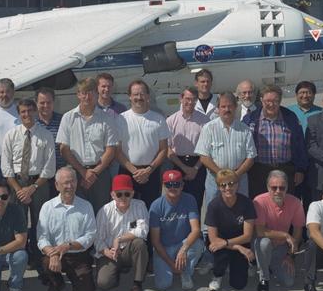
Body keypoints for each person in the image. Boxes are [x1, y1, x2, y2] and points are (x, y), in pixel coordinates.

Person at [1, 97, 56, 262]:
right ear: (19, 114)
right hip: (16, 184)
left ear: (35, 112)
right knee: (18, 222)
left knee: (41, 221)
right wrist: (19, 190)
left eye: (30, 110)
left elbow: (49, 168)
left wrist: (32, 188)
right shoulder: (11, 135)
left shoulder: (46, 135)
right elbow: (6, 168)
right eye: (23, 111)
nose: (27, 114)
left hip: (39, 183)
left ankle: (39, 257)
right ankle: (19, 256)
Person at [35, 167, 97, 291]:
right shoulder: (47, 207)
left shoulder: (86, 206)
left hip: (78, 255)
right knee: (46, 263)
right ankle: (57, 283)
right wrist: (53, 254)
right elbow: (42, 237)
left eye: (73, 182)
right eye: (65, 183)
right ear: (57, 186)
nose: (70, 186)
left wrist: (68, 246)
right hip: (55, 254)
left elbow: (90, 235)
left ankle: (77, 281)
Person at [56, 77, 120, 209]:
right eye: (84, 92)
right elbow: (64, 148)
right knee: (75, 211)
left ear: (97, 93)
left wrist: (94, 172)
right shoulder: (68, 118)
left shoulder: (107, 119)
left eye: (91, 92)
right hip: (75, 173)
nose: (87, 96)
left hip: (100, 174)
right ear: (78, 94)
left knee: (102, 211)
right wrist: (83, 172)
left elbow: (111, 149)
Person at [241, 85, 307, 200]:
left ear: (280, 101)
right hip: (258, 172)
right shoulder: (250, 119)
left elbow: (299, 144)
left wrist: (300, 169)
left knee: (285, 205)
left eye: (275, 101)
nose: (271, 104)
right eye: (267, 101)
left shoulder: (290, 118)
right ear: (261, 100)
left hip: (284, 170)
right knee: (259, 206)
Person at [93, 174, 150, 291]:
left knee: (139, 243)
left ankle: (137, 284)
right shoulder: (104, 211)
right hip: (110, 252)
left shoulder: (140, 205)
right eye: (119, 194)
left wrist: (119, 239)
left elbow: (143, 230)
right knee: (103, 283)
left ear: (132, 193)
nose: (123, 197)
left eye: (127, 194)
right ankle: (116, 270)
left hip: (129, 249)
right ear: (112, 195)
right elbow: (97, 239)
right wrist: (108, 252)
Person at [195, 91, 257, 207]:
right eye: (223, 106)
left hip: (239, 179)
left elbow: (251, 157)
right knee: (213, 214)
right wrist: (221, 174)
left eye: (230, 106)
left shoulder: (245, 129)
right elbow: (203, 156)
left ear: (235, 107)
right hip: (215, 180)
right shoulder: (209, 128)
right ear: (218, 108)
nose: (226, 109)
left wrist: (236, 175)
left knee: (240, 213)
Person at [251, 169, 306, 291]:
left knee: (289, 282)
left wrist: (290, 256)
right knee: (264, 243)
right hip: (262, 244)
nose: (277, 191)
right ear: (267, 187)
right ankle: (264, 278)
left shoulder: (296, 203)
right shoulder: (259, 201)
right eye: (273, 188)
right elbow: (260, 231)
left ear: (287, 188)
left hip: (281, 248)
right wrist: (285, 235)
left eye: (282, 188)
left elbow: (298, 230)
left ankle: (266, 264)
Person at [148, 169, 205, 291]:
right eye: (169, 184)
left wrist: (183, 250)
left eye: (176, 184)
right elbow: (155, 242)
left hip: (182, 244)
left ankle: (186, 272)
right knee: (163, 285)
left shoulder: (190, 199)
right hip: (164, 247)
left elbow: (196, 230)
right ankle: (173, 266)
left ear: (182, 185)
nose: (172, 188)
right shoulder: (156, 205)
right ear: (164, 185)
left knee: (198, 244)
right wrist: (171, 264)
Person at [117, 79, 170, 207]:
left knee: (151, 210)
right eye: (135, 94)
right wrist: (135, 171)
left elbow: (164, 149)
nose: (139, 97)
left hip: (151, 173)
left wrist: (148, 170)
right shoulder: (121, 119)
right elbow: (116, 151)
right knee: (126, 210)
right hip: (128, 172)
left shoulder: (159, 119)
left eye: (142, 94)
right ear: (130, 96)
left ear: (147, 96)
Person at [203, 169, 256, 291]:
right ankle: (217, 275)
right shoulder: (213, 205)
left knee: (239, 284)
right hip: (219, 242)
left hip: (239, 239)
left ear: (237, 184)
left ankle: (242, 264)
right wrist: (238, 247)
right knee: (220, 252)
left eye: (231, 183)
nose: (228, 188)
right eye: (223, 185)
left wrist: (230, 243)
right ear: (218, 187)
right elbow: (213, 239)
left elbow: (248, 236)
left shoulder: (247, 203)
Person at [165, 87, 210, 207]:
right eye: (187, 99)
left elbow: (207, 149)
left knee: (196, 202)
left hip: (198, 165)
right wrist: (184, 168)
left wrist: (194, 169)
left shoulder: (205, 121)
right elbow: (168, 149)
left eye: (193, 100)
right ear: (181, 98)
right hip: (177, 164)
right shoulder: (171, 120)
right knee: (176, 203)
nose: (190, 102)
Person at [0, 77, 20, 183]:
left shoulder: (21, 112)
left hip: (16, 165)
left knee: (15, 197)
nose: (4, 95)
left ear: (13, 92)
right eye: (1, 92)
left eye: (8, 91)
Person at [34, 87, 65, 194]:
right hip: (39, 177)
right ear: (36, 103)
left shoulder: (63, 121)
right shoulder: (31, 124)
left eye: (49, 102)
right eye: (42, 103)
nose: (46, 106)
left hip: (60, 174)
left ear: (53, 102)